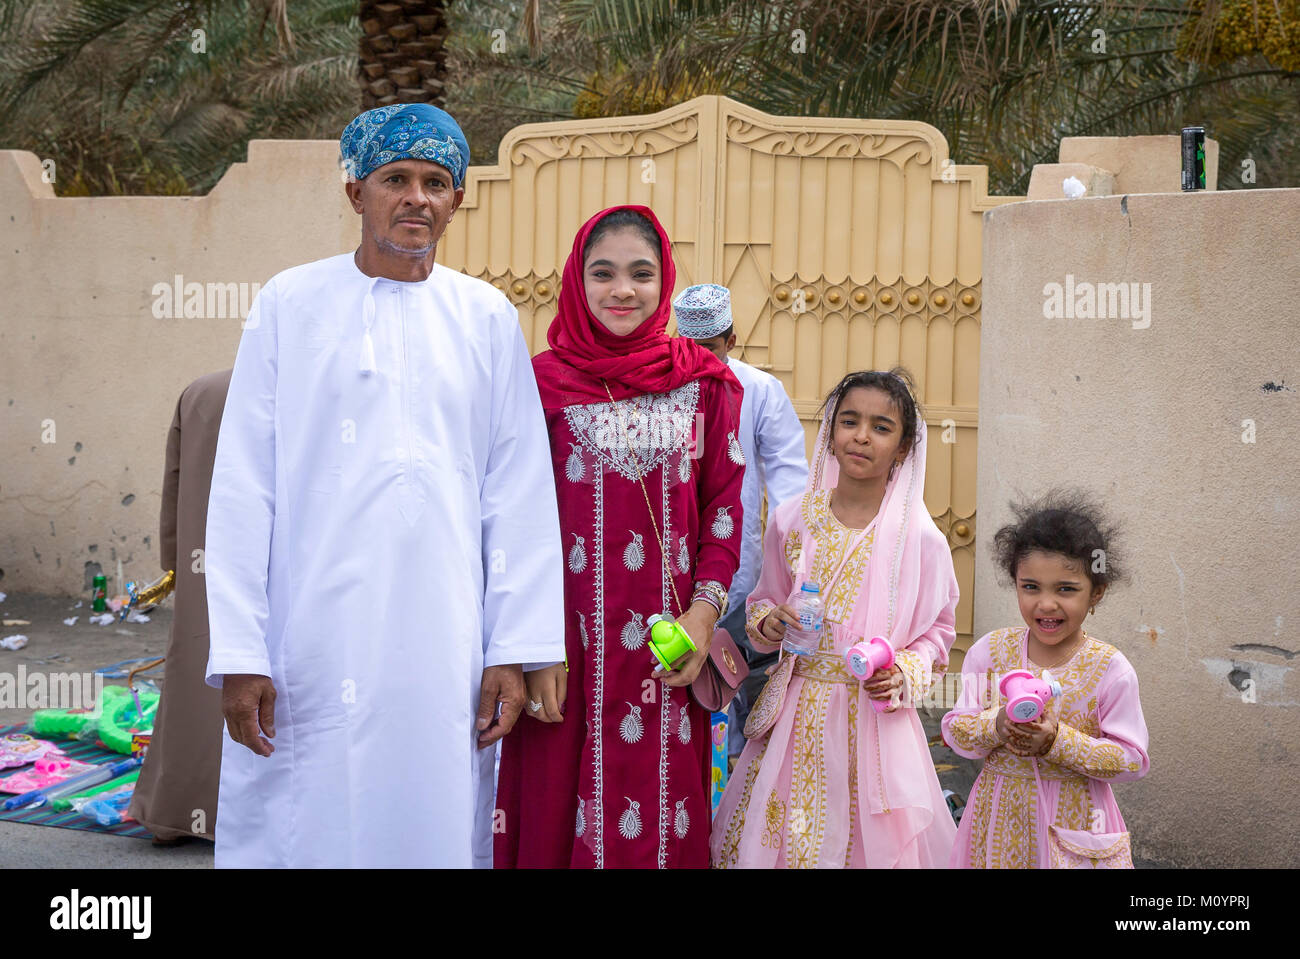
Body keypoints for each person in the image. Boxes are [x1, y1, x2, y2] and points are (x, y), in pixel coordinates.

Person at [204, 103, 565, 868]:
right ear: (355, 193)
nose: (417, 198)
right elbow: (243, 486)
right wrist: (241, 650)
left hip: (445, 643)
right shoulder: (288, 305)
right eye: (395, 178)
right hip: (308, 637)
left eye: (437, 182)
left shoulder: (487, 317)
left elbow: (518, 490)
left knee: (432, 816)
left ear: (457, 200)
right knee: (309, 816)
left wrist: (515, 647)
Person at [494, 205, 745, 868]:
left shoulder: (705, 383)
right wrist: (529, 644)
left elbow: (724, 510)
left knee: (665, 809)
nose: (623, 290)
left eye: (641, 273)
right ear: (578, 283)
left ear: (665, 284)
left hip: (670, 649)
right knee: (557, 806)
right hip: (565, 651)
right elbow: (513, 518)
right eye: (602, 274)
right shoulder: (539, 385)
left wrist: (701, 616)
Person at [711, 368, 960, 868]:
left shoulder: (920, 541)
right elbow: (762, 602)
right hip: (795, 709)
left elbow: (938, 632)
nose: (862, 436)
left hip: (873, 718)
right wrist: (770, 624)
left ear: (905, 445)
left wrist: (903, 672)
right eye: (849, 421)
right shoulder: (793, 520)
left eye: (881, 427)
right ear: (830, 430)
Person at [941, 491, 1149, 868]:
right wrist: (998, 723)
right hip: (998, 820)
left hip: (1078, 825)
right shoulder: (989, 652)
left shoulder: (1110, 669)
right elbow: (957, 732)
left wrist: (1058, 741)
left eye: (1066, 589)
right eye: (1031, 586)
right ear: (1015, 583)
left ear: (1096, 593)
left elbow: (1131, 760)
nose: (1046, 604)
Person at [673, 283, 807, 758]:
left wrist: (791, 568)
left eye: (708, 348)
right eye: (688, 347)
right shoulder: (659, 384)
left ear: (731, 340)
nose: (698, 358)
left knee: (732, 688)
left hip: (738, 570)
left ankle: (729, 810)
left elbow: (790, 486)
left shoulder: (761, 391)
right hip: (668, 567)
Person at [128, 369, 231, 847]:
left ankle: (176, 813)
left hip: (205, 564)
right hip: (293, 568)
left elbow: (175, 486)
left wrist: (176, 565)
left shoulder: (203, 392)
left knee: (197, 681)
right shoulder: (317, 386)